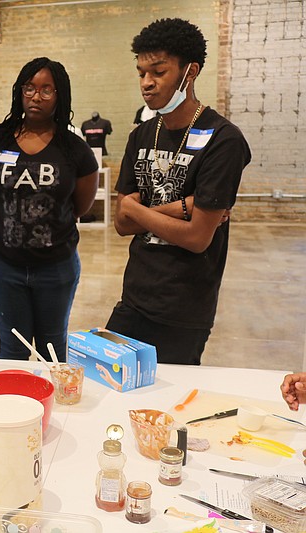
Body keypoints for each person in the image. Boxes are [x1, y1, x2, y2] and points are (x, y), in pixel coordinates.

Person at [107, 18, 251, 365]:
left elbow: (198, 237)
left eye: (158, 72)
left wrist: (139, 209)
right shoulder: (141, 135)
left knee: (167, 410)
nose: (146, 83)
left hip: (185, 307)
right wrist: (181, 207)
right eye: (141, 72)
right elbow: (121, 224)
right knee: (110, 382)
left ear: (191, 71)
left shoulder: (223, 140)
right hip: (135, 295)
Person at [0, 57, 99, 361]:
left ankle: (51, 407)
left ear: (60, 95)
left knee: (52, 349)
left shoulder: (74, 148)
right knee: (13, 347)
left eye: (46, 90)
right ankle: (14, 408)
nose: (35, 97)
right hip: (5, 267)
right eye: (29, 88)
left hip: (56, 267)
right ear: (19, 92)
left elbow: (81, 206)